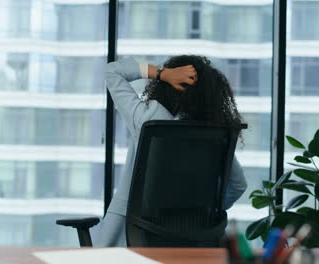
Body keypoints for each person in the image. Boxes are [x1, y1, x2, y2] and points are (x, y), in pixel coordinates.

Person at [95, 55, 247, 246]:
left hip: (132, 239)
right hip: (194, 243)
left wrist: (162, 73)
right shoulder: (215, 136)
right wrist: (202, 212)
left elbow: (113, 70)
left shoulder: (148, 119)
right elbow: (238, 185)